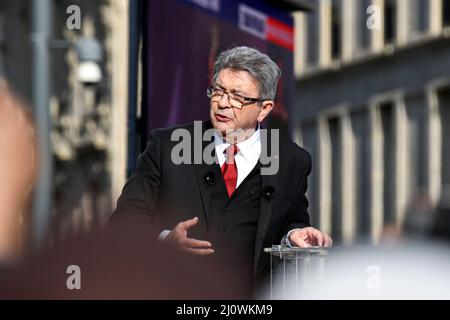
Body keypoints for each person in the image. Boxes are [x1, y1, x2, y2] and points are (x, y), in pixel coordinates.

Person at [111, 46, 332, 294]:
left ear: (265, 108)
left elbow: (291, 222)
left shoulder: (292, 160)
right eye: (218, 91)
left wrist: (294, 235)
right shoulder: (167, 146)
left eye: (237, 96)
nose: (222, 103)